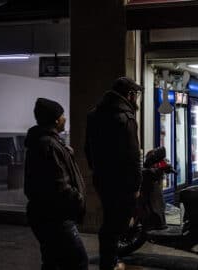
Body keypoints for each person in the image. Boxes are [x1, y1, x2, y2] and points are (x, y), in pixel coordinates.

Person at [85, 77, 143, 270]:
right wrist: (136, 186)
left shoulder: (94, 114)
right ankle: (109, 263)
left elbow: (87, 149)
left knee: (110, 221)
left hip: (102, 179)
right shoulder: (126, 117)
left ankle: (109, 261)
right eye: (137, 96)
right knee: (115, 225)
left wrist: (99, 171)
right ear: (130, 95)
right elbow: (133, 155)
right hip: (123, 182)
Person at [24, 98, 88, 270]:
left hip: (47, 215)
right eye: (62, 115)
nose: (65, 118)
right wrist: (78, 199)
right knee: (78, 262)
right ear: (55, 120)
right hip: (56, 217)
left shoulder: (49, 142)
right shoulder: (48, 145)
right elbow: (58, 185)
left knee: (52, 262)